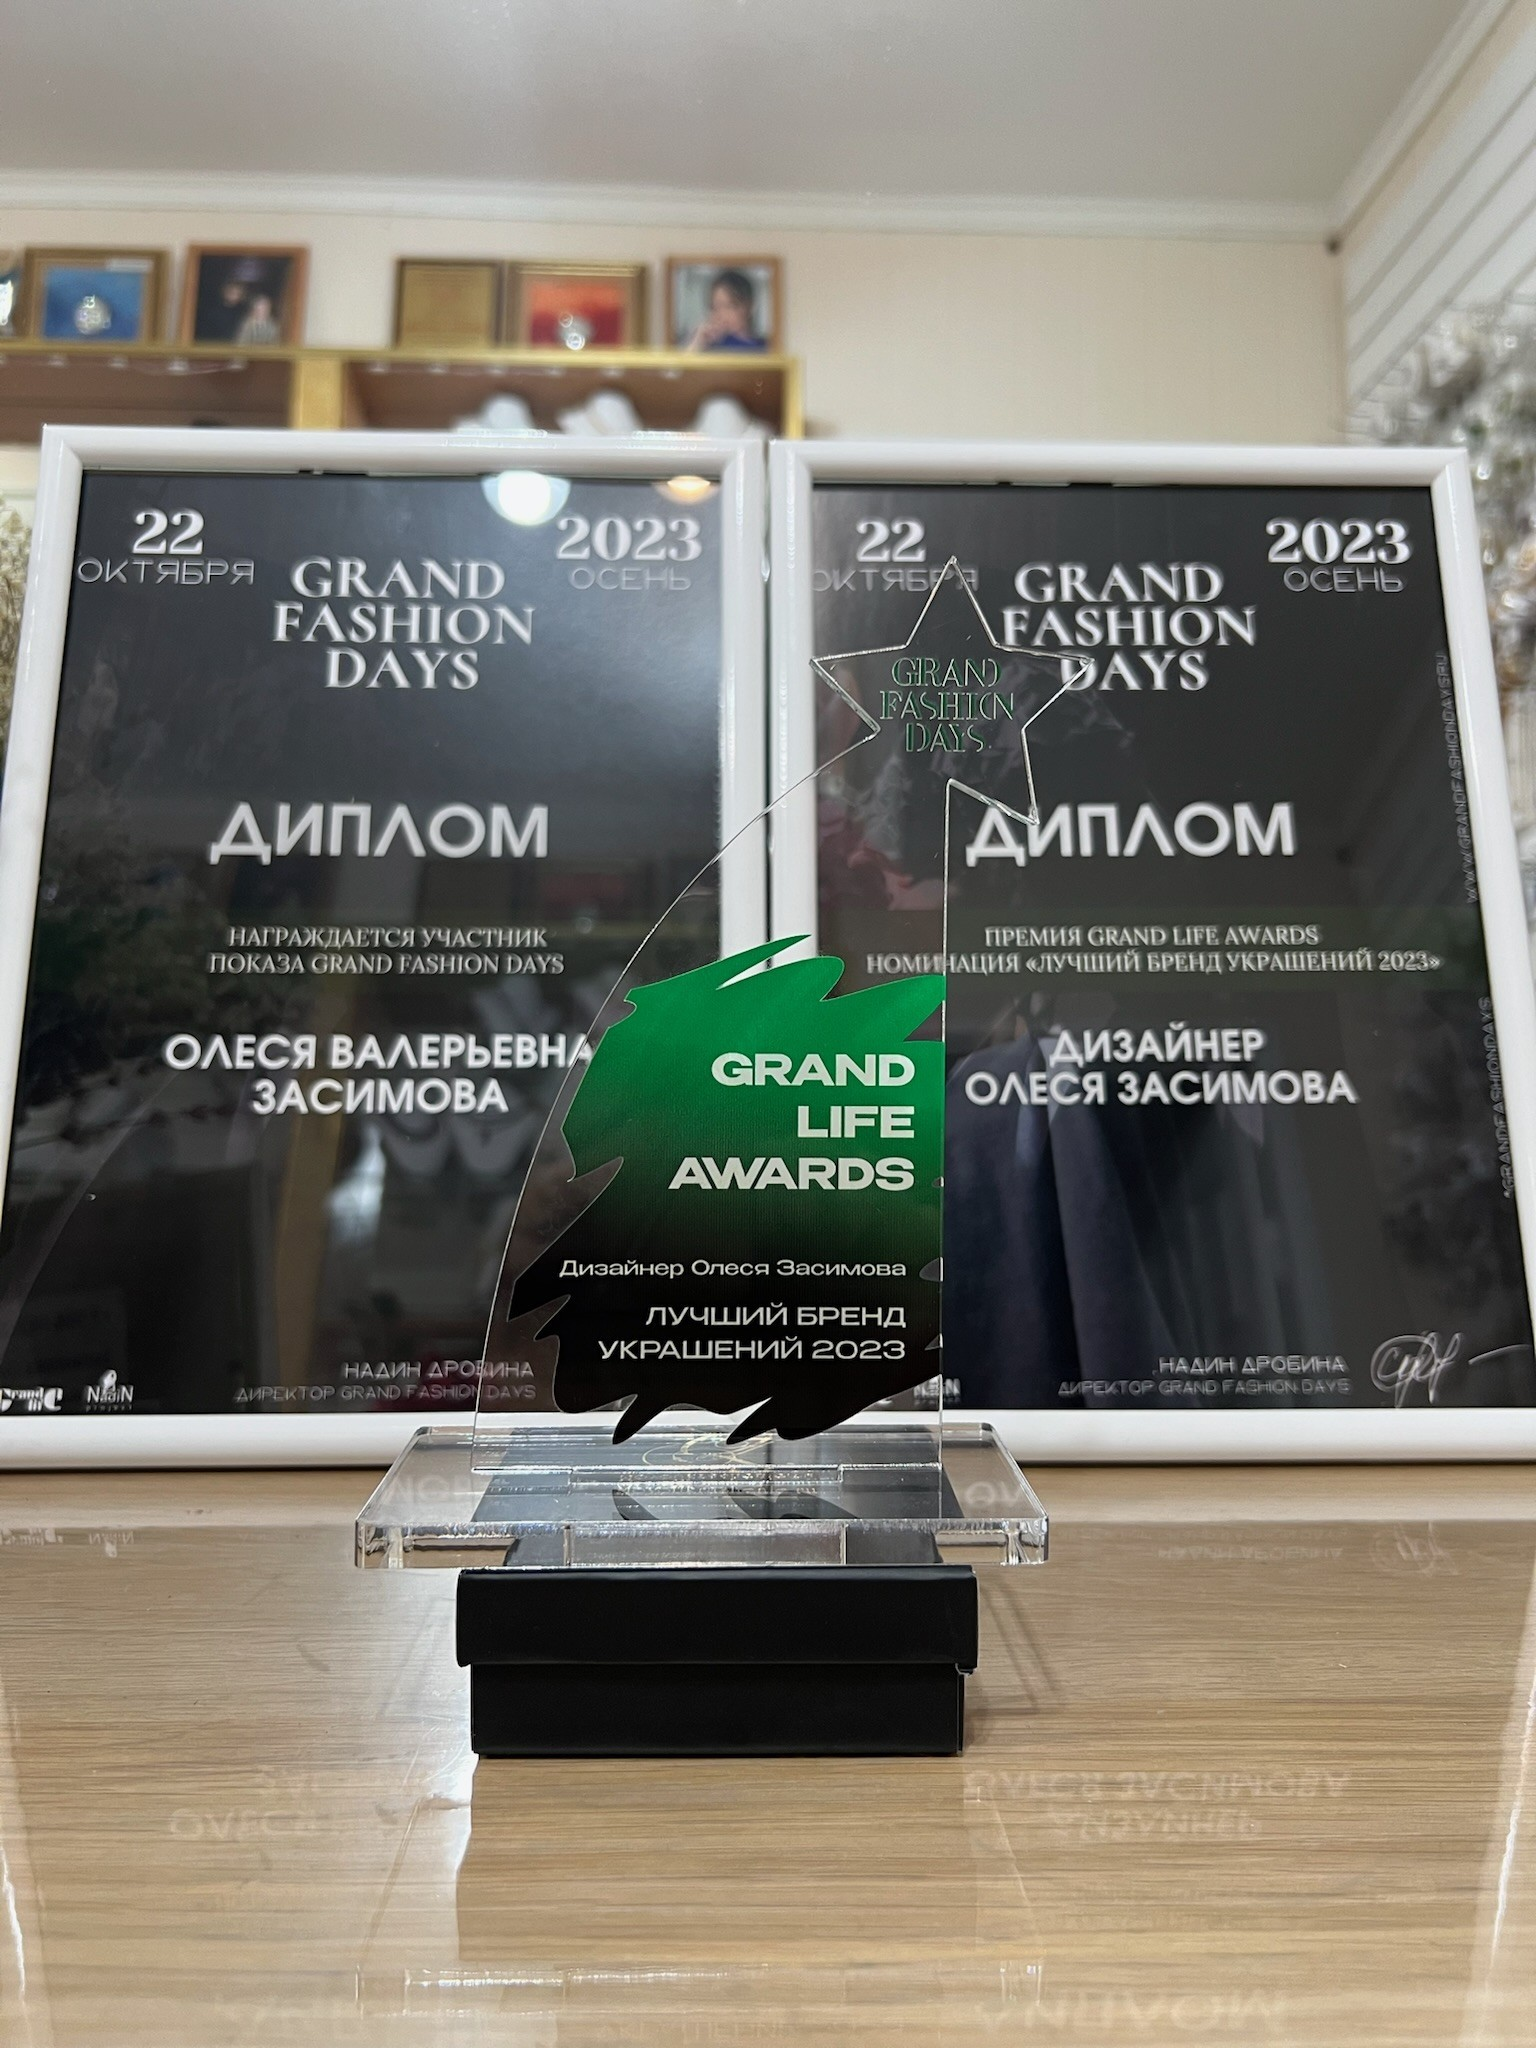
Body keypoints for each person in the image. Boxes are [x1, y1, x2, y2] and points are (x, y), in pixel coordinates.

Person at [686, 269, 766, 352]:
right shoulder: (710, 346)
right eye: (714, 308)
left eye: (729, 306)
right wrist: (697, 342)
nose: (720, 315)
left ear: (749, 307)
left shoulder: (766, 347)